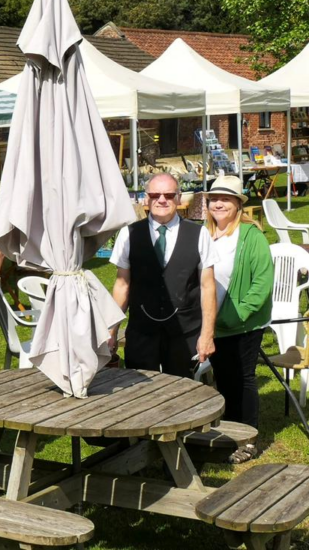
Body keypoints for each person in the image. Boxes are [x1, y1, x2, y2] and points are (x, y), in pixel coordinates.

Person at [109, 173, 217, 378]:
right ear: (146, 198)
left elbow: (207, 287)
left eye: (168, 195)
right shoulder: (128, 234)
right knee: (139, 394)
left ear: (178, 197)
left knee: (182, 395)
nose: (161, 200)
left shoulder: (199, 234)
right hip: (142, 331)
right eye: (155, 195)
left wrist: (207, 334)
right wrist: (112, 330)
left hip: (184, 333)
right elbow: (122, 285)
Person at [204, 175, 271, 464]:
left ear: (237, 205)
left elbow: (262, 283)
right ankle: (229, 434)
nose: (218, 203)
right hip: (212, 324)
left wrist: (238, 314)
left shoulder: (250, 236)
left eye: (226, 199)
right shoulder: (202, 235)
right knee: (223, 380)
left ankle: (248, 439)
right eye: (214, 199)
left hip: (243, 324)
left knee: (242, 380)